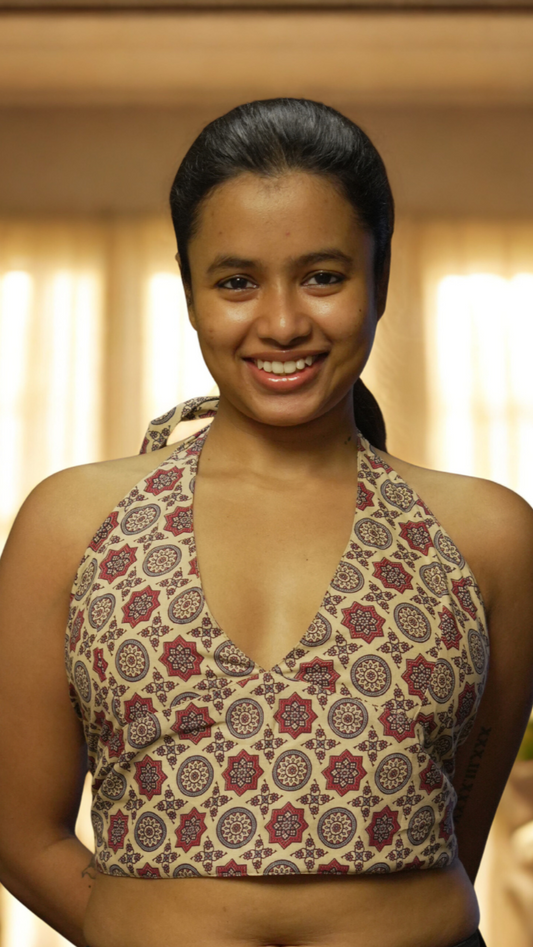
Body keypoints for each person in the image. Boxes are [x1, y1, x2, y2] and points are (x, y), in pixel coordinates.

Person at [0, 97, 532, 947]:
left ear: (379, 278)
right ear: (188, 290)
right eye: (237, 280)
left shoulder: (489, 535)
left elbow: (449, 831)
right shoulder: (70, 523)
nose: (282, 323)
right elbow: (19, 833)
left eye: (323, 275)